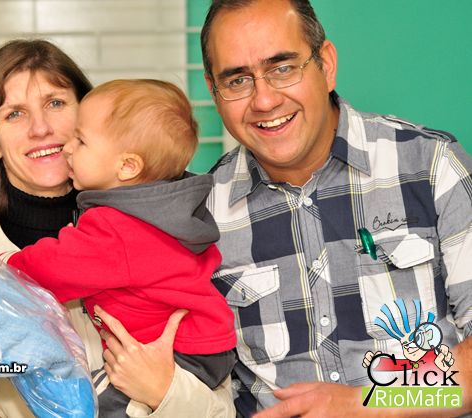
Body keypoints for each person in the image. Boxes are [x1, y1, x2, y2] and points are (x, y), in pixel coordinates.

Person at [0, 40, 235, 417]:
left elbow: (222, 410)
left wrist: (163, 391)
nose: (41, 128)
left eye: (55, 103)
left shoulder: (153, 226)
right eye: (15, 114)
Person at [200, 0, 472, 417]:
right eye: (237, 80)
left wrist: (367, 404)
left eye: (283, 68)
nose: (264, 100)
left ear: (326, 65)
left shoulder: (431, 166)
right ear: (213, 91)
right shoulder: (202, 215)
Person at [6, 79, 237, 417]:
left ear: (127, 166)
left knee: (98, 408)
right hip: (205, 347)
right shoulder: (161, 212)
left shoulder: (119, 227)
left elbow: (54, 268)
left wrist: (9, 266)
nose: (67, 147)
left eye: (81, 140)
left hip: (176, 354)